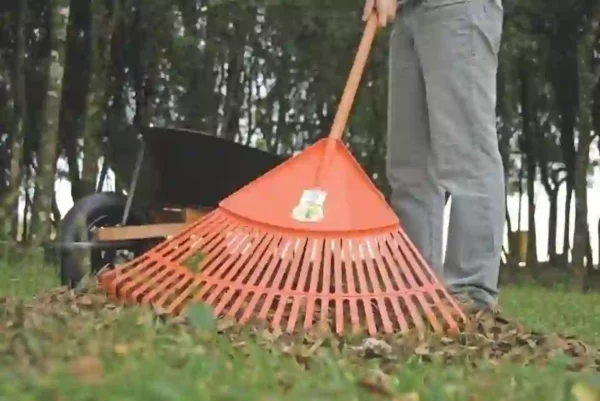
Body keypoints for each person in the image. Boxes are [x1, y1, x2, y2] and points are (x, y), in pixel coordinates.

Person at [363, 0, 506, 312]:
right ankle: (413, 291)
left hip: (457, 8)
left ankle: (472, 290)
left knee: (467, 155)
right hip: (408, 14)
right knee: (409, 167)